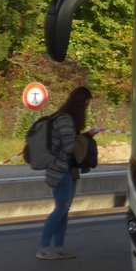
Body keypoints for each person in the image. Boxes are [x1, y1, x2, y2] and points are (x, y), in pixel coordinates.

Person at [37, 86, 93, 260]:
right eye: (86, 104)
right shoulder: (65, 119)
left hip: (68, 169)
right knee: (61, 208)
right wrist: (87, 138)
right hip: (60, 170)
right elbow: (70, 146)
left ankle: (59, 247)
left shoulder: (65, 119)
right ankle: (44, 247)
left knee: (64, 209)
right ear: (80, 103)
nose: (87, 107)